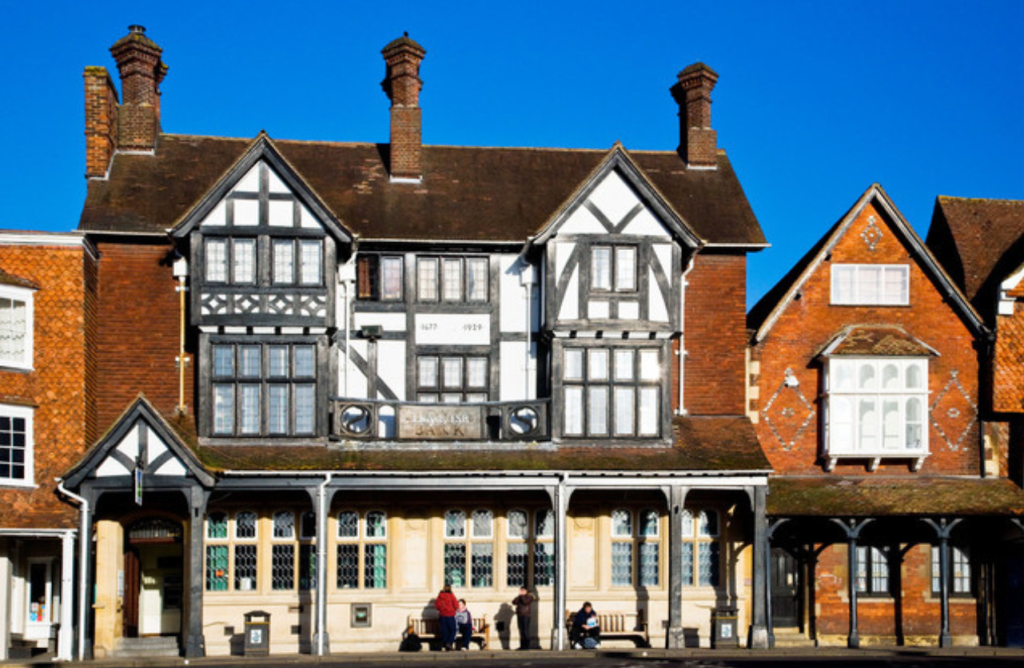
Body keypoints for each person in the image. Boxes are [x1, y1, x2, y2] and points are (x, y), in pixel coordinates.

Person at [434, 584, 459, 651]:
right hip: (450, 615)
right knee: (452, 630)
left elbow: (436, 606)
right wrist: (452, 609)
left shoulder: (440, 596)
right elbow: (456, 605)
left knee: (445, 631)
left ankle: (445, 644)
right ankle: (449, 643)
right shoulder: (451, 596)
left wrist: (442, 609)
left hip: (442, 615)